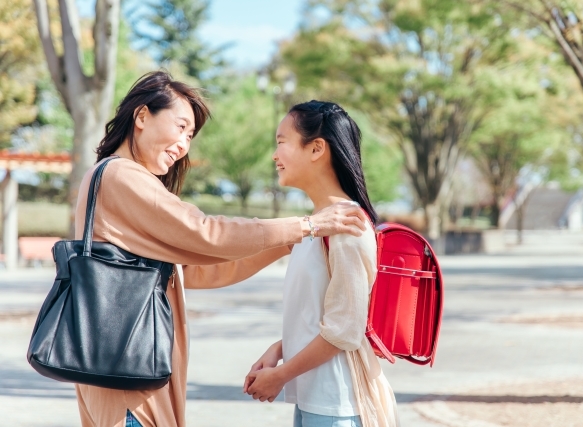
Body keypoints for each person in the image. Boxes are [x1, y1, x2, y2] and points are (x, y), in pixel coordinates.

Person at [73, 72, 367, 427]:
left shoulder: (112, 177)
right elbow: (206, 232)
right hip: (128, 384)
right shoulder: (123, 176)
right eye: (180, 126)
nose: (184, 144)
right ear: (141, 116)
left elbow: (194, 270)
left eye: (190, 135)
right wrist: (306, 226)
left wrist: (289, 240)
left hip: (119, 375)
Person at [244, 101, 399, 427]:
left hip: (339, 404)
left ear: (316, 148)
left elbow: (344, 330)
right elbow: (323, 317)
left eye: (282, 141)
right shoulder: (318, 224)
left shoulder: (348, 226)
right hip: (317, 402)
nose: (275, 154)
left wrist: (280, 376)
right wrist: (279, 348)